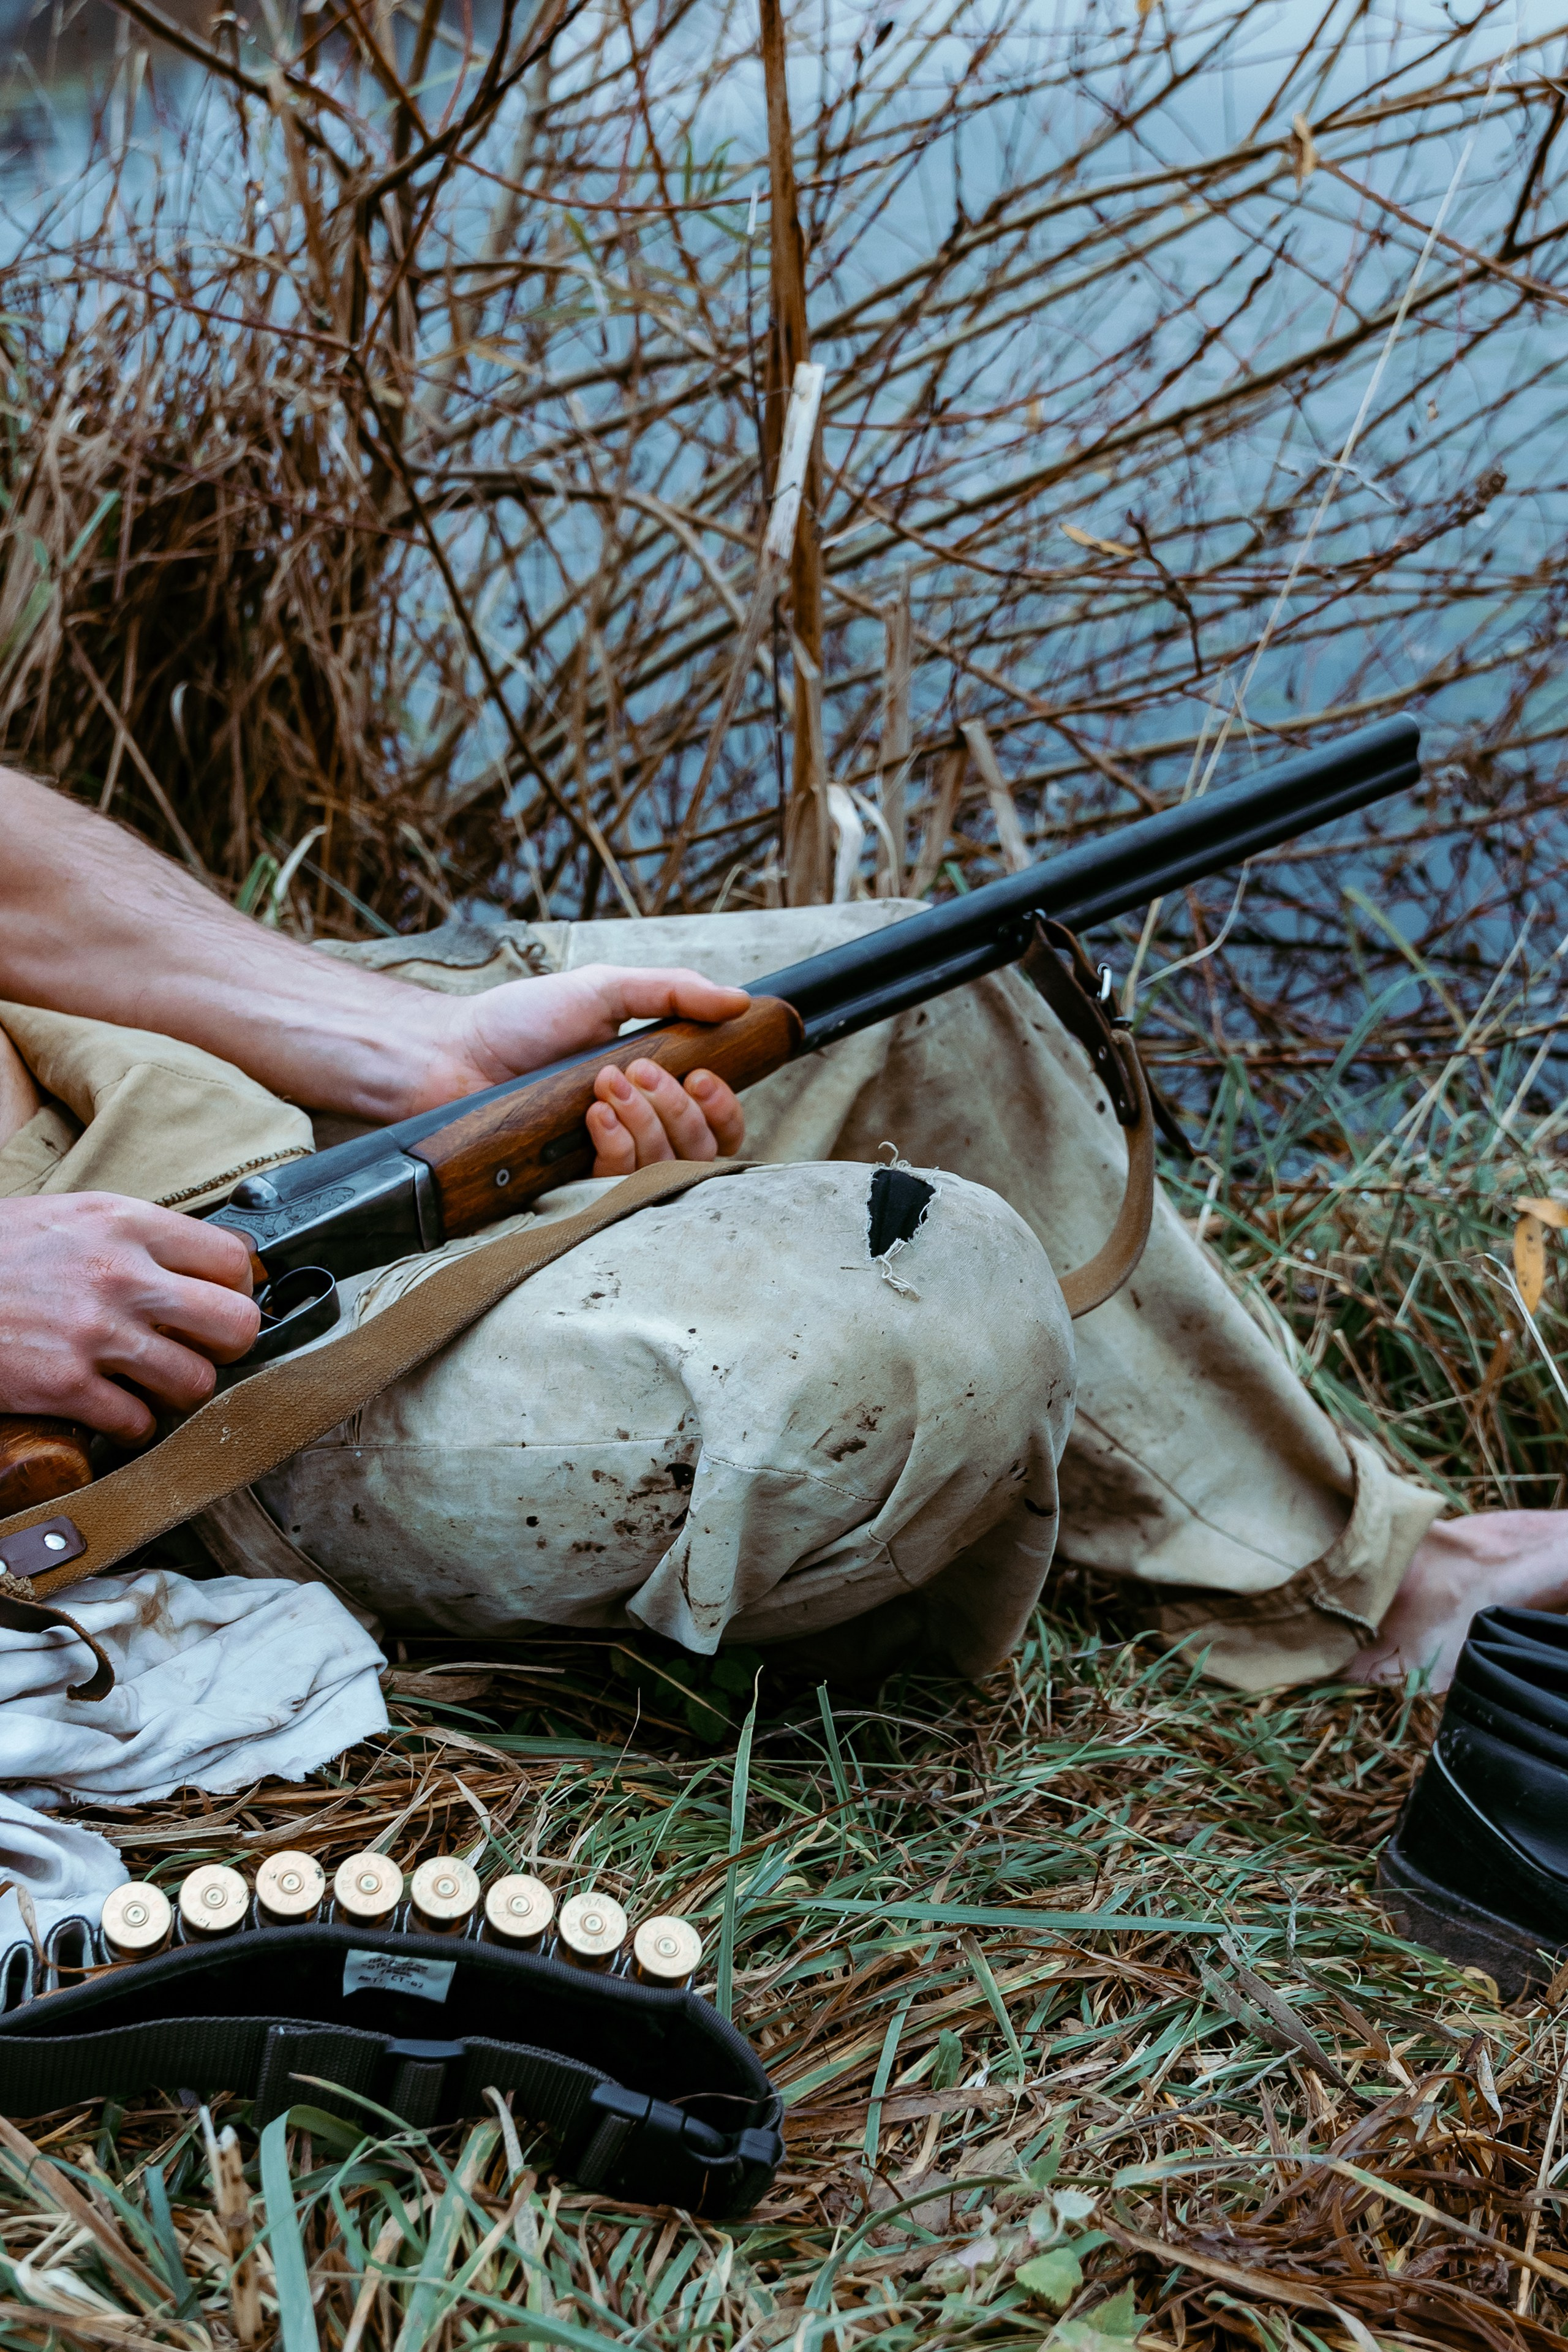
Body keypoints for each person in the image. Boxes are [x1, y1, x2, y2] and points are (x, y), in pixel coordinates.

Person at [0, 767, 1556, 1694]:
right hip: (124, 1390)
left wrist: (400, 1046)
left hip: (137, 1078)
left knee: (914, 984)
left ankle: (1351, 1580)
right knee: (925, 1306)